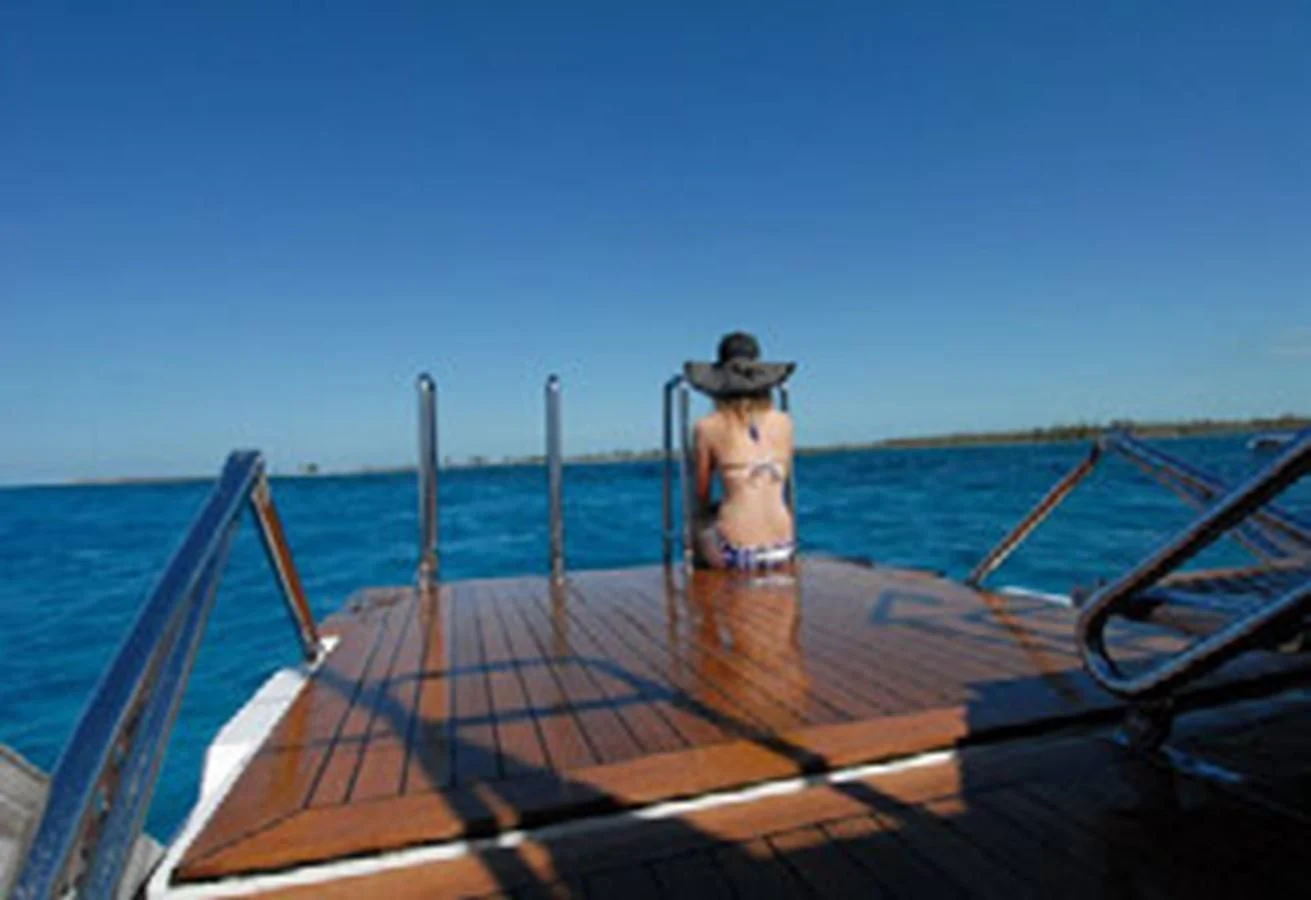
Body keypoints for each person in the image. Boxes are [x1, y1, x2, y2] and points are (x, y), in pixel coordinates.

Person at [684, 332, 797, 570]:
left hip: (736, 552)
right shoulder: (785, 423)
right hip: (784, 545)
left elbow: (702, 493)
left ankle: (700, 589)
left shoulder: (707, 427)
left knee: (699, 522)